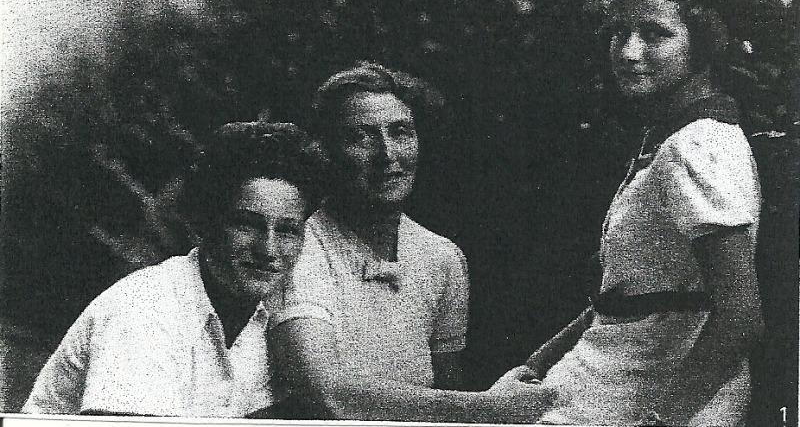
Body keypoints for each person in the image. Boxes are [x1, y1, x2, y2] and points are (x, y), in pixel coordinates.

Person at [526, 0, 764, 426]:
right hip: (615, 373)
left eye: (655, 34)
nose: (628, 51)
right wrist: (535, 364)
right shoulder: (670, 142)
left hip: (657, 392)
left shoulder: (698, 147)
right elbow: (627, 296)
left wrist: (661, 419)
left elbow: (740, 317)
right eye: (618, 32)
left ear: (702, 42)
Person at [269, 62, 555, 422]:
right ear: (326, 152)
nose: (388, 155)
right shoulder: (299, 246)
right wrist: (490, 408)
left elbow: (447, 392)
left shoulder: (441, 257)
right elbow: (325, 393)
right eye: (362, 137)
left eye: (401, 132)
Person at [22, 121, 324, 417]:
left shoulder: (273, 317)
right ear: (206, 222)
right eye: (246, 224)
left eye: (287, 230)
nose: (268, 250)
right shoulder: (145, 307)